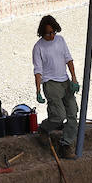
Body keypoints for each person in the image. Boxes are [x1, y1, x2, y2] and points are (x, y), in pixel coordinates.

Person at [32, 15, 80, 160]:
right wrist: (38, 90)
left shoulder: (60, 40)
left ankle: (65, 145)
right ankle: (44, 129)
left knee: (72, 113)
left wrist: (74, 79)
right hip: (50, 83)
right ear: (42, 32)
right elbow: (38, 70)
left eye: (54, 32)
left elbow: (68, 59)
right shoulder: (38, 47)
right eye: (48, 33)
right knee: (59, 116)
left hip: (65, 81)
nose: (52, 36)